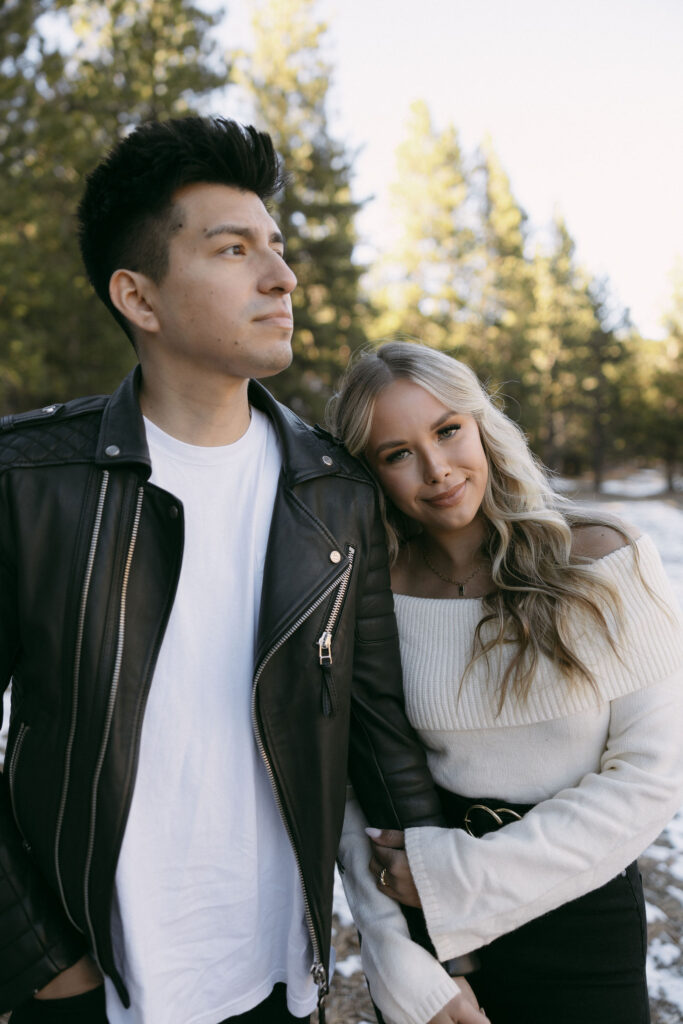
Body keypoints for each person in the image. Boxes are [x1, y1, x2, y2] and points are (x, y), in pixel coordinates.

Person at [0, 119, 488, 1024]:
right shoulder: (29, 481)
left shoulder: (333, 493)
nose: (281, 277)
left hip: (277, 980)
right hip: (90, 988)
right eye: (233, 250)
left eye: (277, 246)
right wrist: (39, 959)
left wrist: (433, 953)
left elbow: (382, 745)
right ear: (137, 298)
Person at [330, 340, 683, 1024]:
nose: (436, 470)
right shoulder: (370, 596)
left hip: (578, 915)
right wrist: (390, 949)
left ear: (481, 425)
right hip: (429, 931)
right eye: (396, 453)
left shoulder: (602, 558)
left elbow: (651, 776)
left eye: (446, 431)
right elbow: (352, 780)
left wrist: (455, 878)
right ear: (371, 475)